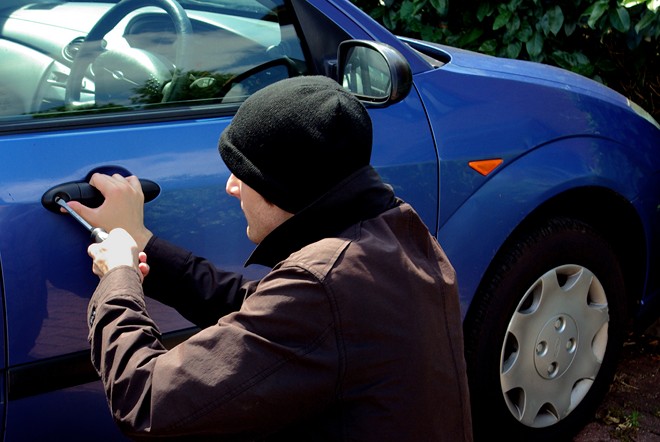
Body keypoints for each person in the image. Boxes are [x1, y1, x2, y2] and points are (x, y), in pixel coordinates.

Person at [71, 75, 473, 441]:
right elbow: (260, 310)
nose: (231, 188)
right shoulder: (391, 234)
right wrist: (145, 245)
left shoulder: (323, 287)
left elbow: (148, 400)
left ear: (282, 186)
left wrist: (118, 279)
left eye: (242, 173)